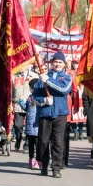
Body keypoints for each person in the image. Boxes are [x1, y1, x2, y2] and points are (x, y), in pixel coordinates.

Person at [33, 50, 72, 178]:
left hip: (60, 114)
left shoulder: (66, 77)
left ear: (64, 64)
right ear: (52, 63)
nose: (57, 64)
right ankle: (44, 166)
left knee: (58, 142)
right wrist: (43, 101)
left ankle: (56, 168)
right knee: (43, 142)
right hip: (45, 113)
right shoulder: (43, 77)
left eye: (60, 62)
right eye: (55, 61)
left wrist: (48, 81)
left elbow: (63, 89)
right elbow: (35, 96)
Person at [19, 78, 40, 169]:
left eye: (30, 87)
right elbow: (26, 108)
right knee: (30, 144)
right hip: (29, 126)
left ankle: (39, 161)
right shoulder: (30, 97)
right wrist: (21, 101)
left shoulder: (39, 98)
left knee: (38, 144)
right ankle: (31, 159)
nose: (29, 89)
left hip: (37, 125)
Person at [12, 71, 30, 152]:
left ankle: (27, 142)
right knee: (17, 125)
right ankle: (18, 139)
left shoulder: (33, 75)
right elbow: (11, 91)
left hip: (30, 104)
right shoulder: (14, 76)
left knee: (29, 126)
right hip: (18, 105)